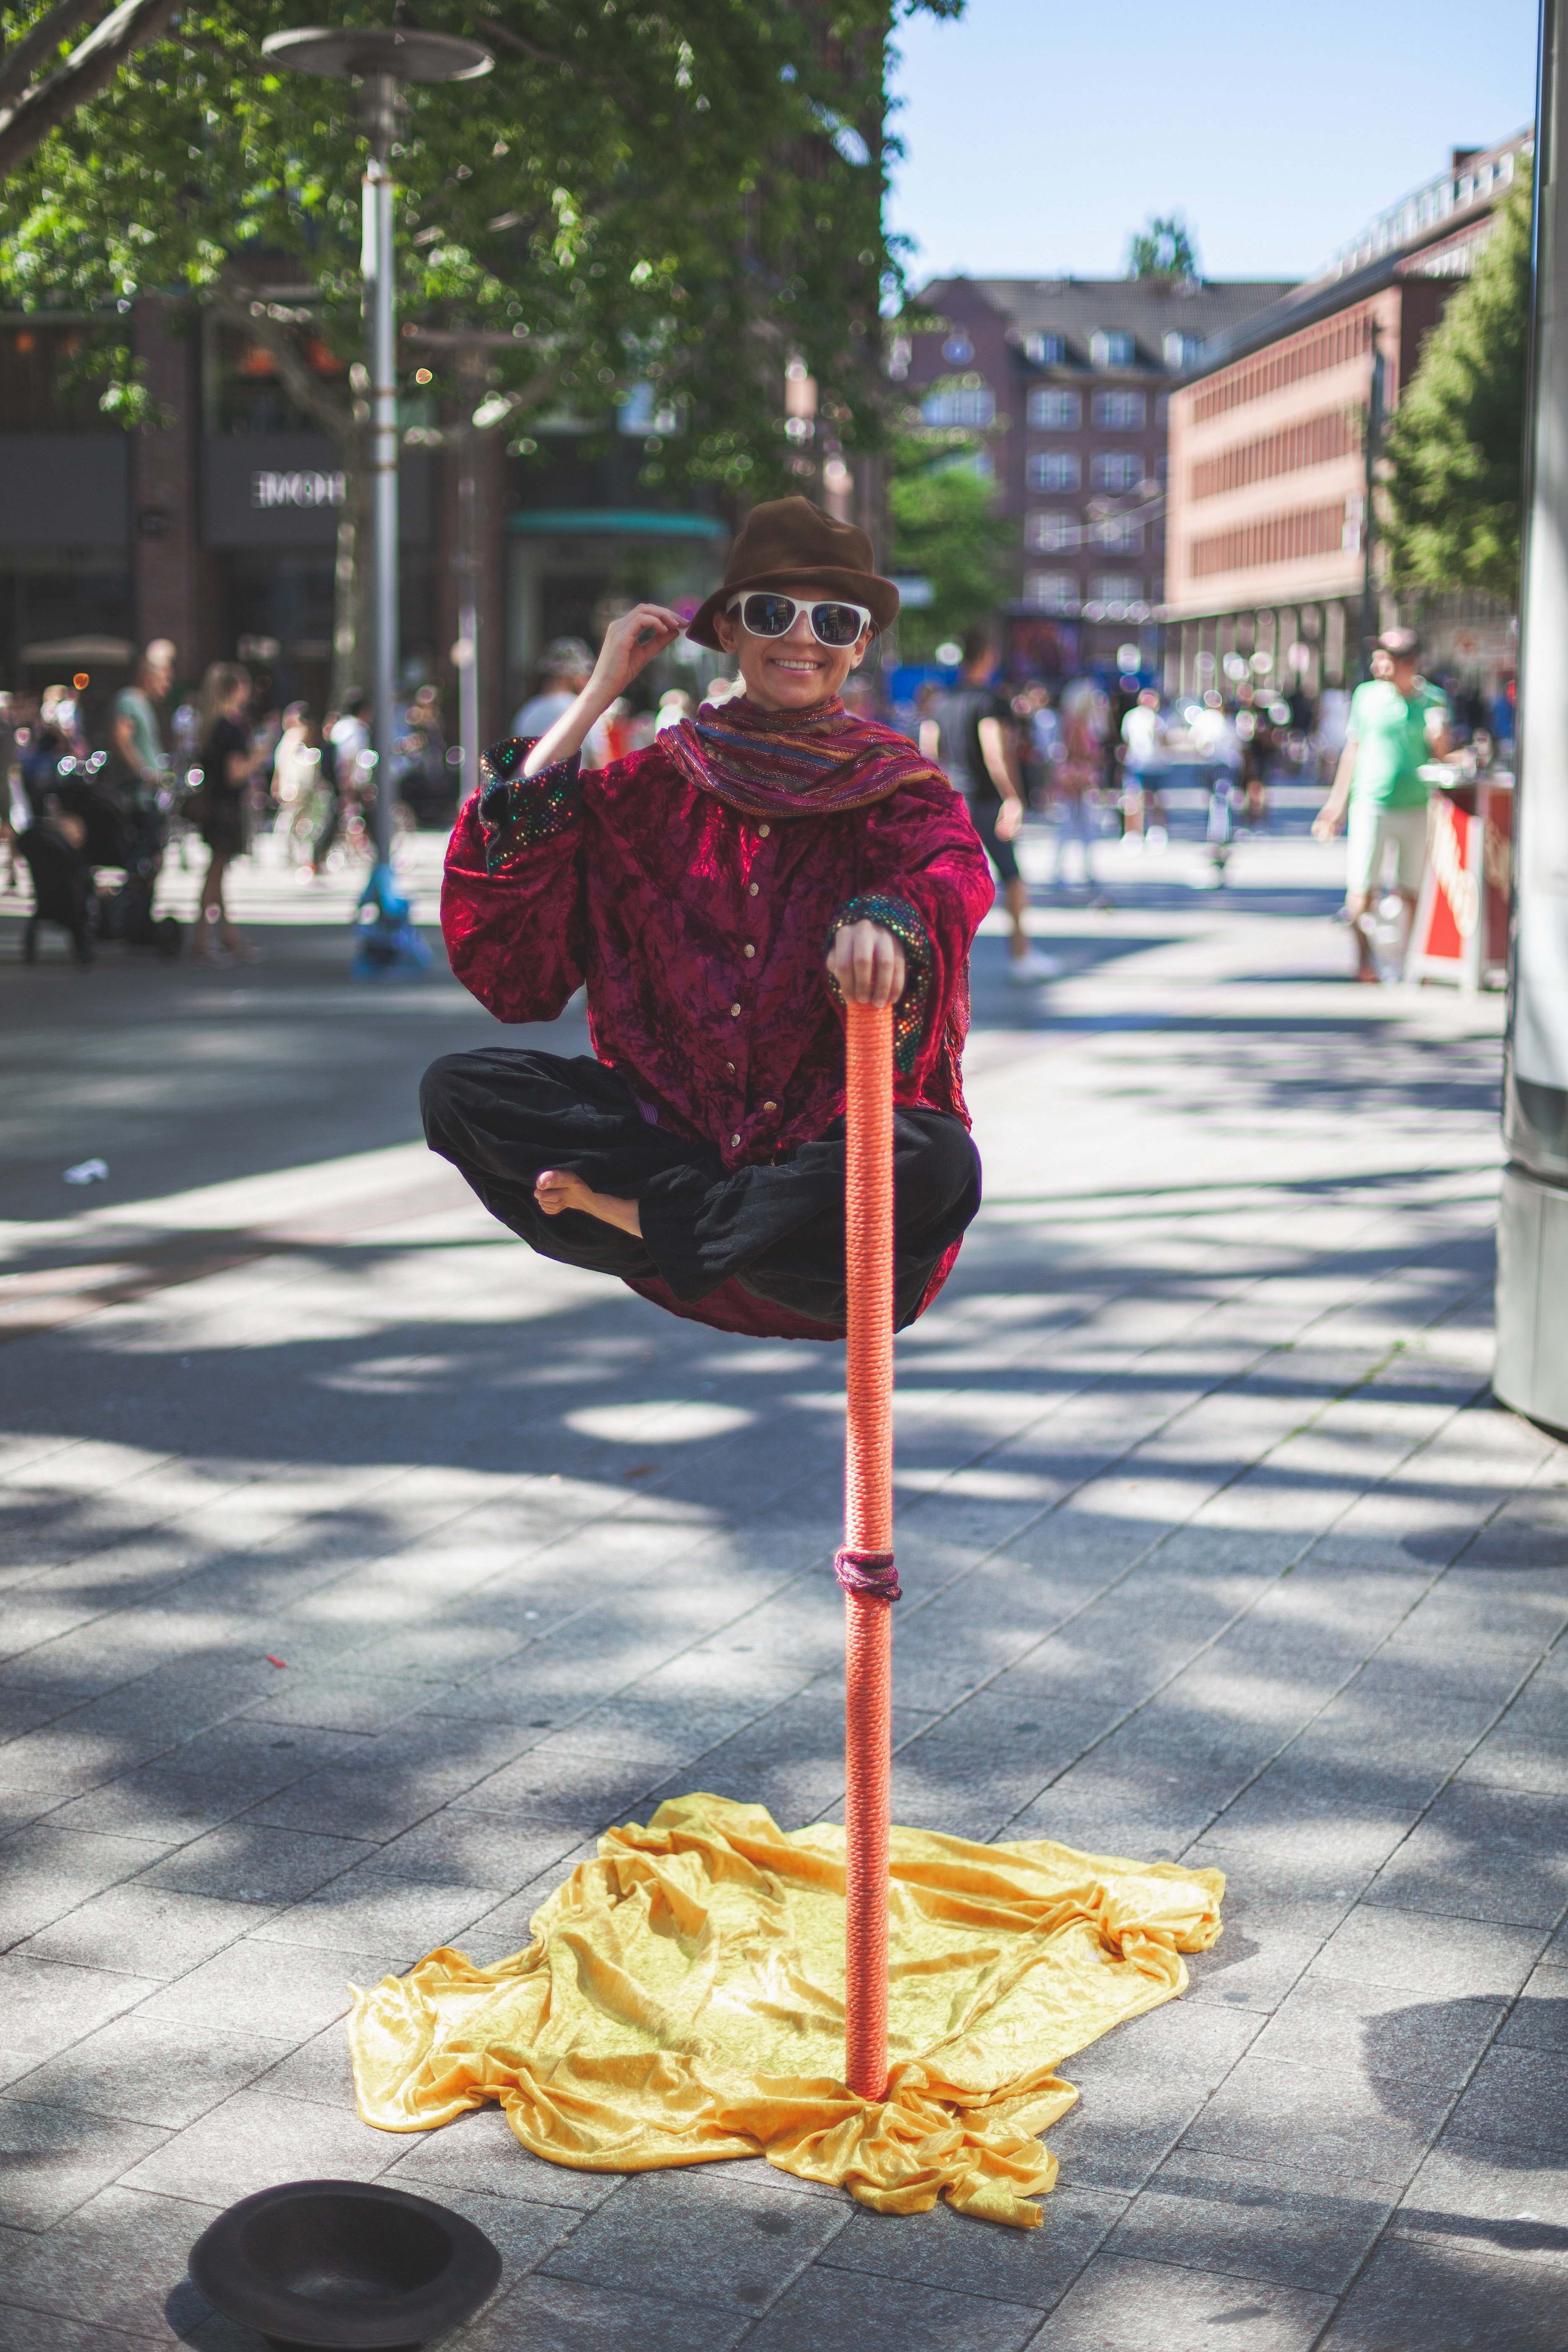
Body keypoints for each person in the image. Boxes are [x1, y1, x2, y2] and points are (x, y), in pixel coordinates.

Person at [422, 496, 994, 1340]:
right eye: (773, 613)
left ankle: (667, 1224)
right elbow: (509, 926)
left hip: (815, 1182)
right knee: (459, 1094)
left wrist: (890, 919)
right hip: (676, 1144)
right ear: (728, 631)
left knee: (939, 1163)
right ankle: (703, 1225)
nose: (802, 639)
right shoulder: (650, 788)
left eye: (833, 621)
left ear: (859, 645)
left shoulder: (896, 788)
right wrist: (595, 698)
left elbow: (950, 869)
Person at [1313, 627, 1451, 983]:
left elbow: (1444, 757)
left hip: (1417, 805)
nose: (1378, 666)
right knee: (1362, 889)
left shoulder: (1434, 700)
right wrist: (1335, 807)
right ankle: (1364, 961)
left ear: (1409, 663)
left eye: (1386, 660)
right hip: (1371, 804)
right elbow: (1352, 752)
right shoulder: (1366, 697)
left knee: (1413, 890)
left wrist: (1441, 741)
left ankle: (1415, 963)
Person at [936, 629, 1054, 985]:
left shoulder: (943, 701)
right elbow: (995, 752)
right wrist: (1014, 797)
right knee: (1013, 878)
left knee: (953, 883)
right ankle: (1021, 954)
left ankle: (945, 964)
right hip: (986, 802)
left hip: (954, 802)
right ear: (987, 656)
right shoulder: (990, 701)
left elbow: (931, 750)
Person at [192, 661, 261, 961]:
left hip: (213, 805)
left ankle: (227, 936)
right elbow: (235, 774)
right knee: (216, 872)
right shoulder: (230, 728)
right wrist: (258, 758)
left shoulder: (210, 726)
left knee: (217, 873)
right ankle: (203, 938)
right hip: (226, 808)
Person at [513, 636, 612, 769]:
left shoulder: (526, 712)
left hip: (532, 789)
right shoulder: (585, 711)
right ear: (575, 676)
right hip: (575, 789)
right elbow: (601, 766)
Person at [1052, 679, 1107, 903]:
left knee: (1077, 827)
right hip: (1076, 781)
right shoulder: (1076, 724)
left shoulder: (1081, 722)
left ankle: (1075, 870)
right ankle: (1066, 871)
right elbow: (1077, 754)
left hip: (1077, 780)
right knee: (1075, 827)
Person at [110, 639, 175, 796]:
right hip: (137, 798)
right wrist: (146, 775)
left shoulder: (145, 704)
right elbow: (121, 741)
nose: (168, 685)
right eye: (164, 678)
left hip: (151, 796)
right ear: (148, 677)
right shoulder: (129, 699)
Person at [1120, 687, 1167, 848]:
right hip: (1136, 764)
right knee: (1133, 799)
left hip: (1155, 765)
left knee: (1154, 800)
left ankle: (1157, 831)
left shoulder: (1158, 720)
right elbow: (1126, 740)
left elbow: (1164, 742)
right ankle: (1133, 833)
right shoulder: (1131, 717)